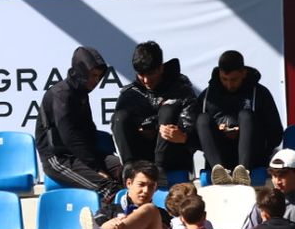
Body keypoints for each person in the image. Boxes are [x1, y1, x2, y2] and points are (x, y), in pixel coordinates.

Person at [37, 45, 118, 210]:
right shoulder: (61, 94)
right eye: (93, 75)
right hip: (59, 158)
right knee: (108, 187)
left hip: (84, 154)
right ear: (81, 71)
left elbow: (88, 129)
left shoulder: (81, 93)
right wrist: (96, 168)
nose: (95, 81)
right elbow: (70, 137)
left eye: (99, 77)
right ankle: (109, 227)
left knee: (126, 173)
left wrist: (104, 163)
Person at [194, 49, 283, 185]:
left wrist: (246, 133)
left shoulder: (260, 93)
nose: (229, 84)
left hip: (253, 157)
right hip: (220, 156)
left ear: (244, 73)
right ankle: (220, 172)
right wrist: (219, 132)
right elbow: (196, 136)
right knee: (202, 119)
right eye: (224, 79)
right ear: (219, 74)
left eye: (234, 80)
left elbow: (276, 134)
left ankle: (243, 171)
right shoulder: (207, 96)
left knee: (246, 115)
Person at [111, 40, 198, 173]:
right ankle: (130, 172)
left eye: (150, 74)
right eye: (141, 75)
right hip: (141, 158)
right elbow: (120, 129)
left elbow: (192, 127)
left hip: (173, 156)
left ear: (161, 68)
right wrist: (143, 128)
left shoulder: (181, 88)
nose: (146, 80)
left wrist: (178, 134)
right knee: (119, 117)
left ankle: (160, 171)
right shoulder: (130, 94)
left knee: (168, 110)